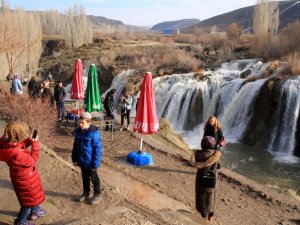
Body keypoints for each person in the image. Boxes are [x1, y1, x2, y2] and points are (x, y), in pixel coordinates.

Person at [0, 121, 46, 225]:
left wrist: (29, 140)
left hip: (19, 175)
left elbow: (18, 145)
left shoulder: (5, 143)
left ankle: (35, 209)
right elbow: (33, 160)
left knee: (31, 196)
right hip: (26, 178)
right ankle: (21, 221)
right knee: (27, 201)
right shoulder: (17, 153)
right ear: (18, 135)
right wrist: (35, 143)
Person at [72, 112, 102, 205]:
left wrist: (95, 164)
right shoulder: (78, 131)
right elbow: (75, 146)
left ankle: (97, 194)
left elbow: (98, 150)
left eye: (82, 123)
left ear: (89, 123)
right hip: (82, 160)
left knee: (94, 178)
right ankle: (86, 192)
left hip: (91, 162)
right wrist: (74, 158)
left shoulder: (94, 133)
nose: (80, 125)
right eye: (79, 122)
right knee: (84, 177)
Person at [190, 136, 221, 223]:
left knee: (202, 196)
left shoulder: (198, 154)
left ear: (202, 144)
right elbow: (219, 166)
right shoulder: (216, 154)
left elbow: (194, 162)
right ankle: (210, 217)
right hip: (212, 180)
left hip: (201, 179)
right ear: (213, 145)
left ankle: (203, 216)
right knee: (212, 196)